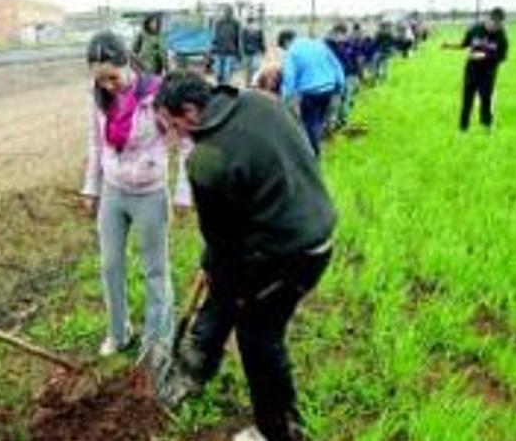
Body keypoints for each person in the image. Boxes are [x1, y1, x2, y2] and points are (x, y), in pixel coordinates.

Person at [154, 70, 337, 441]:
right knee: (226, 289)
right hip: (317, 225)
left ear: (190, 110)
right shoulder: (260, 100)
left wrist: (218, 269)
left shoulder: (207, 160)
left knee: (258, 336)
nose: (174, 136)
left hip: (289, 254)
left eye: (172, 125)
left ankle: (278, 430)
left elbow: (223, 244)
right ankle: (195, 368)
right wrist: (215, 268)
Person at [82, 31, 192, 357]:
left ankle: (158, 340)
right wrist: (91, 187)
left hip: (150, 192)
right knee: (110, 265)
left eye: (112, 77)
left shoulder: (157, 94)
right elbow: (95, 143)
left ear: (127, 62)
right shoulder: (98, 97)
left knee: (155, 269)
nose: (107, 86)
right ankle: (119, 332)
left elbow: (186, 143)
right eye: (100, 81)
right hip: (114, 190)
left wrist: (183, 191)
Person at [277, 30, 345, 156]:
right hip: (330, 88)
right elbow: (337, 65)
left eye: (284, 48)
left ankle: (316, 154)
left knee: (310, 123)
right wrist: (340, 86)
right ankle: (325, 144)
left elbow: (289, 77)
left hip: (311, 92)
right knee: (321, 120)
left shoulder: (292, 51)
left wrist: (285, 97)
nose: (285, 50)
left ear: (286, 41)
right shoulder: (319, 44)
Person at [443, 7, 509, 132]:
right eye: (494, 25)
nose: (496, 28)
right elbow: (464, 44)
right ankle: (463, 128)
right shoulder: (474, 29)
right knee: (467, 99)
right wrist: (449, 45)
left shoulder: (501, 35)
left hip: (488, 73)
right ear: (489, 19)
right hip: (471, 70)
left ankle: (486, 126)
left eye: (499, 25)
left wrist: (485, 56)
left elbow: (502, 56)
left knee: (486, 100)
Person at [325, 23, 362, 128]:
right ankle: (331, 123)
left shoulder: (349, 44)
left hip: (349, 75)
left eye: (342, 34)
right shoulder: (328, 45)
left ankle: (342, 120)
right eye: (337, 34)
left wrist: (358, 74)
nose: (340, 37)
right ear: (333, 33)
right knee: (335, 100)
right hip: (334, 77)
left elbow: (355, 59)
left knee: (347, 98)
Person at [211, 6, 242, 85]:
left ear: (232, 13)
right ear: (224, 13)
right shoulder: (219, 23)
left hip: (230, 51)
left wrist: (238, 53)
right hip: (219, 50)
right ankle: (219, 86)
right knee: (218, 73)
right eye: (226, 12)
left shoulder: (236, 23)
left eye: (229, 12)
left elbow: (238, 39)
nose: (227, 14)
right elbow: (214, 36)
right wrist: (213, 48)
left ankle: (225, 89)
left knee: (227, 73)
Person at [240, 16, 266, 87]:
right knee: (253, 69)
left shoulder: (246, 30)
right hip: (253, 52)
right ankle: (250, 83)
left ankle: (250, 83)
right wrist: (263, 51)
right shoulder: (246, 30)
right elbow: (262, 41)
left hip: (251, 52)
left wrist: (263, 50)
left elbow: (243, 42)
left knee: (252, 69)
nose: (251, 25)